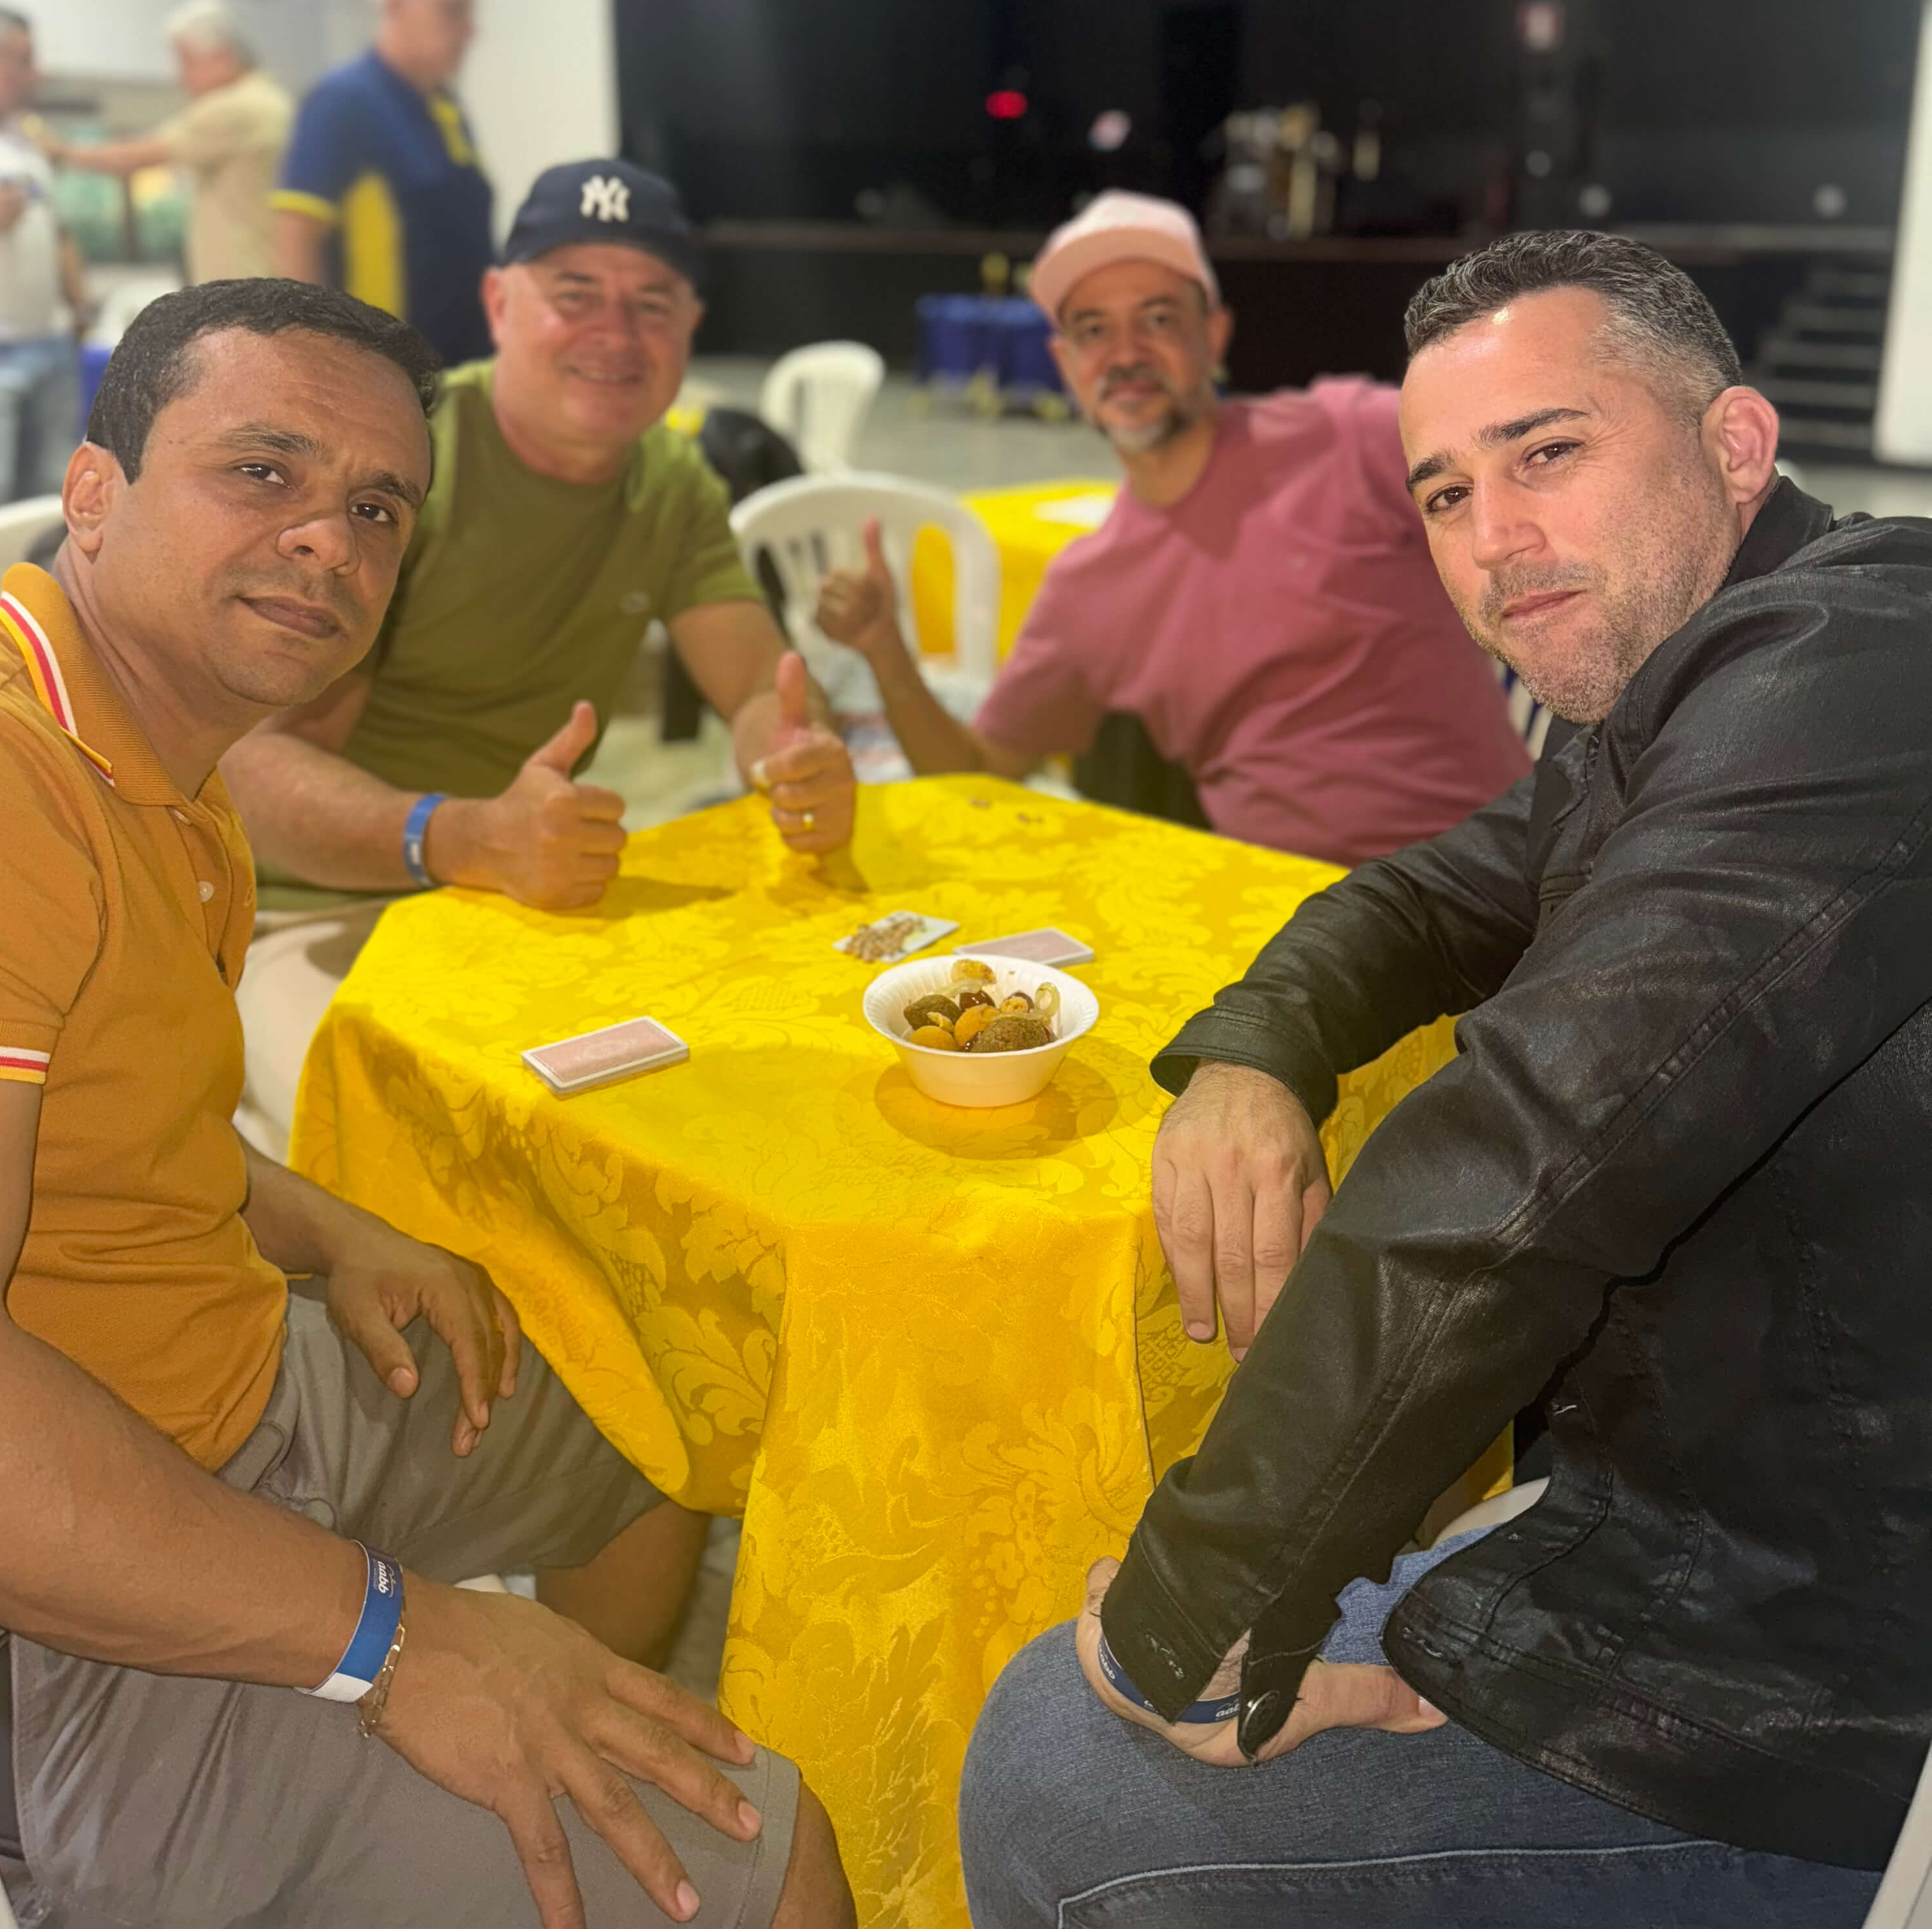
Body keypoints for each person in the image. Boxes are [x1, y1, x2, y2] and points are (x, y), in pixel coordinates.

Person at [959, 231, 1929, 1927]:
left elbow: (1523, 1157)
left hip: (1834, 1677)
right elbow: (1429, 894)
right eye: (1447, 495)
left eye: (1547, 453)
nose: (1495, 542)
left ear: (1736, 445)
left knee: (1055, 1767)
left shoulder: (1862, 667)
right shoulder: (1689, 682)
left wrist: (1197, 1609)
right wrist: (1257, 1046)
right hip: (1709, 1516)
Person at [0, 276, 850, 1929]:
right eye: (263, 471)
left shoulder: (164, 745)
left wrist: (333, 1228)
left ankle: (527, 1777)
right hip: (92, 1525)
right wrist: (404, 1633)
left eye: (377, 508)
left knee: (648, 1426)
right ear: (93, 490)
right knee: (780, 1860)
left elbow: (116, 1126)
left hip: (231, 1364)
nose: (330, 540)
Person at [223, 157, 857, 1159]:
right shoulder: (399, 466)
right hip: (308, 917)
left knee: (734, 1107)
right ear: (499, 304)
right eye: (576, 294)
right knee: (425, 1159)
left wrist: (794, 751)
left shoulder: (672, 482)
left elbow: (756, 687)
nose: (617, 332)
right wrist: (462, 836)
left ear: (690, 329)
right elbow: (253, 767)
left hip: (526, 905)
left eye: (653, 303)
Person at [815, 189, 1525, 866]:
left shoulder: (1348, 439)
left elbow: (1518, 469)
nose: (1125, 354)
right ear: (1065, 364)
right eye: (1093, 330)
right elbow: (978, 772)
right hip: (1284, 903)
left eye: (1156, 320)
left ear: (1212, 335)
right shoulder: (1089, 588)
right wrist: (884, 649)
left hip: (1496, 875)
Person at [273, 0, 495, 363]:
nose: (470, 29)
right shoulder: (344, 102)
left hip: (464, 368)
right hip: (391, 374)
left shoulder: (445, 106)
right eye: (451, 10)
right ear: (395, 5)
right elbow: (297, 238)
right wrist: (318, 364)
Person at [51, 0, 293, 283]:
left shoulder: (236, 107)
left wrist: (61, 152)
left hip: (246, 288)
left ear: (222, 57)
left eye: (187, 62)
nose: (181, 77)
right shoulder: (271, 99)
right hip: (262, 283)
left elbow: (135, 156)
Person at [0, 3, 88, 517]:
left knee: (53, 500)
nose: (33, 74)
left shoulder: (26, 140)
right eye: (21, 60)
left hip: (50, 346)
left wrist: (79, 305)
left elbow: (57, 231)